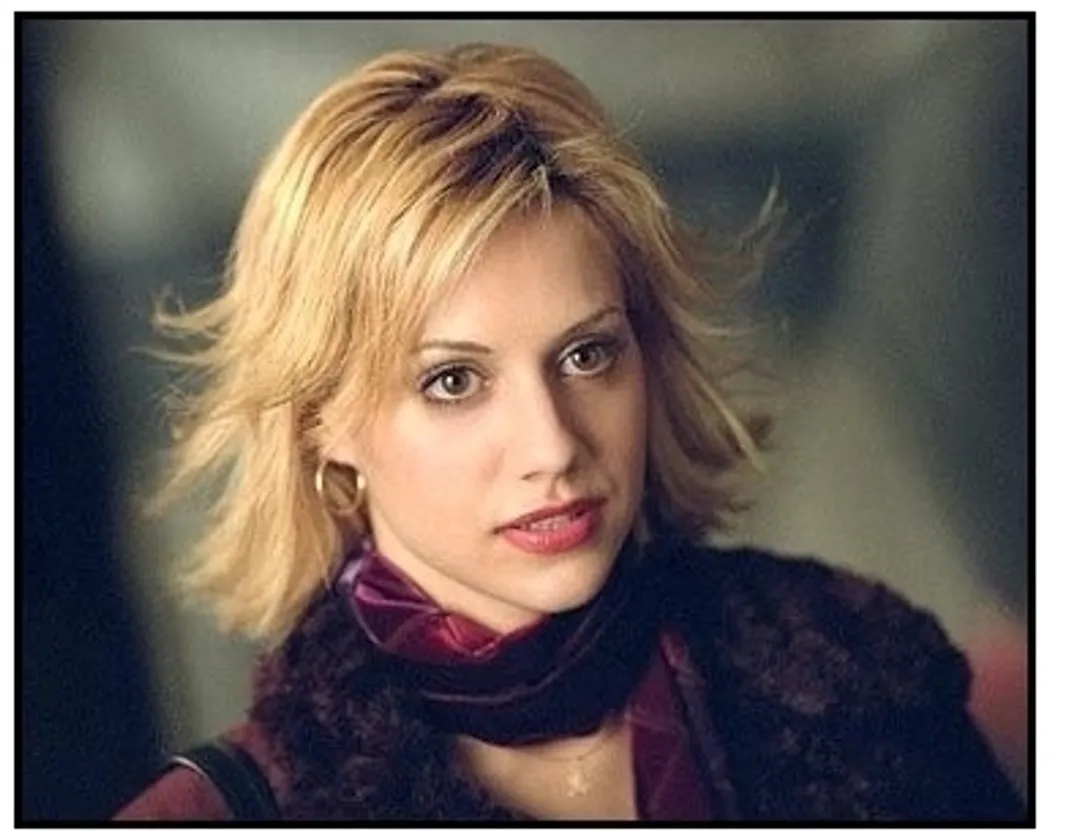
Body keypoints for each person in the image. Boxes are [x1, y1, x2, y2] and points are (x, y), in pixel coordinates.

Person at [115, 43, 1023, 821]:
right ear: (325, 422)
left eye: (587, 355)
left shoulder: (863, 677)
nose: (552, 445)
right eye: (453, 380)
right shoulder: (214, 813)